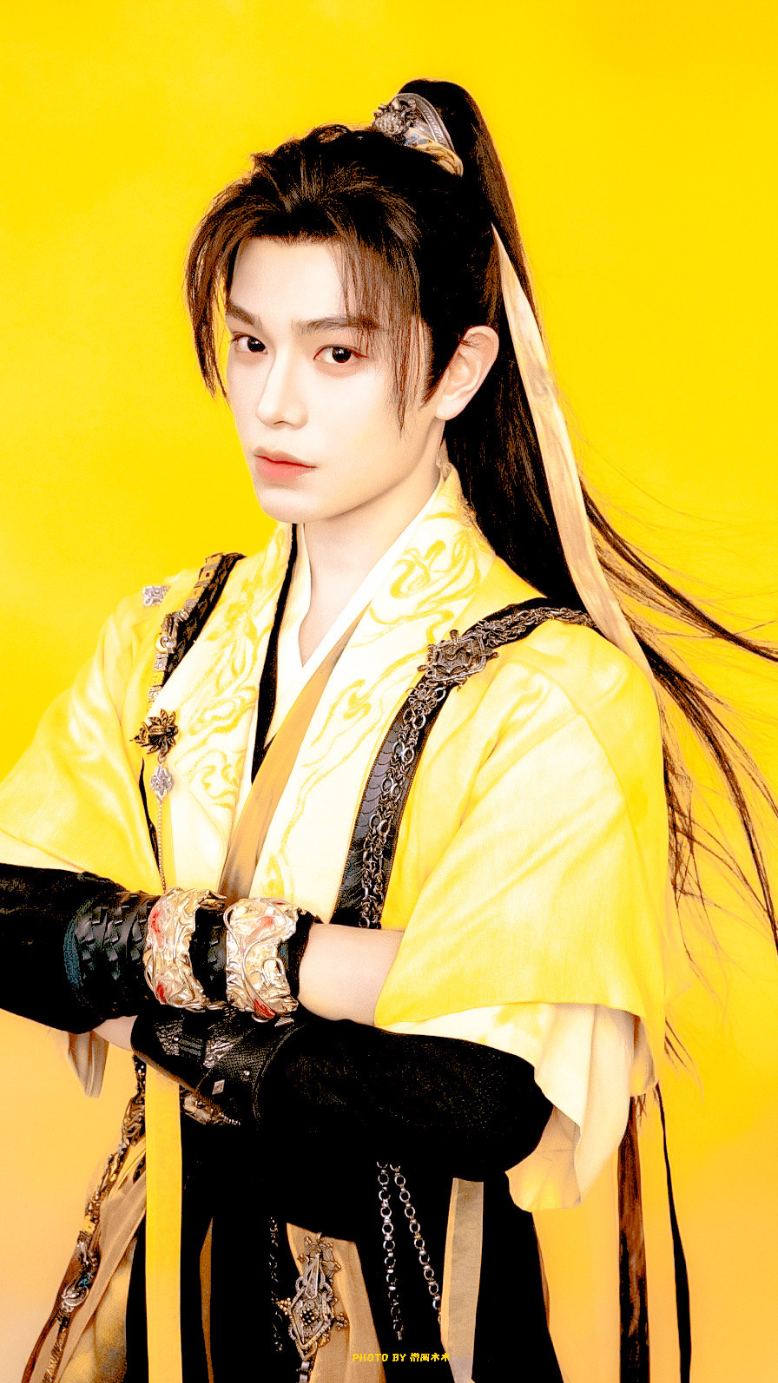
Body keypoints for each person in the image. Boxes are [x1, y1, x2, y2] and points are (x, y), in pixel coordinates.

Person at [1, 80, 775, 1383]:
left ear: (458, 369)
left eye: (338, 355)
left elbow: (473, 1098)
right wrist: (350, 970)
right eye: (251, 344)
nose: (274, 405)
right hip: (168, 1296)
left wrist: (140, 988)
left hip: (421, 1326)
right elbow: (10, 914)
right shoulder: (169, 634)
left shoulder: (548, 690)